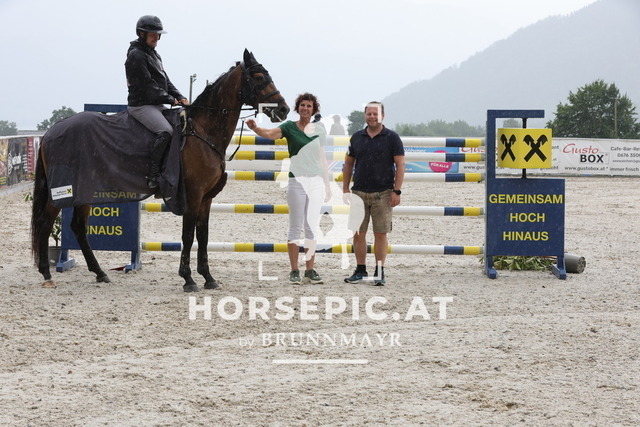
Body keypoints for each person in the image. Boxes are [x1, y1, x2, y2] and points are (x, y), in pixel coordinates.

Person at [247, 93, 332, 285]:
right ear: (298, 108)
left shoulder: (320, 129)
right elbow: (270, 134)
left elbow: (322, 158)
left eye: (309, 106)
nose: (305, 108)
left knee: (311, 227)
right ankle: (294, 270)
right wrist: (256, 128)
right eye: (303, 105)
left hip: (315, 182)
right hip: (296, 182)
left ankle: (310, 269)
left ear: (314, 110)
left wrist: (327, 184)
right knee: (295, 227)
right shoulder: (289, 127)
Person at [342, 101, 405, 286]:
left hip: (383, 193)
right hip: (358, 192)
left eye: (375, 114)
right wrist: (345, 189)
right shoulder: (356, 137)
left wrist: (397, 191)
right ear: (365, 115)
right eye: (369, 114)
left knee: (380, 234)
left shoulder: (392, 138)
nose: (372, 117)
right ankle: (360, 270)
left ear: (382, 116)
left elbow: (400, 165)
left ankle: (379, 271)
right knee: (358, 233)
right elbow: (348, 164)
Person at [125, 15, 189, 190]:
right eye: (153, 34)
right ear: (142, 34)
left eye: (158, 34)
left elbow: (165, 81)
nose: (157, 38)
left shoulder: (154, 54)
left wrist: (180, 96)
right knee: (166, 130)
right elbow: (147, 85)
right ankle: (153, 175)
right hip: (141, 105)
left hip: (156, 103)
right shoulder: (136, 55)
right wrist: (170, 99)